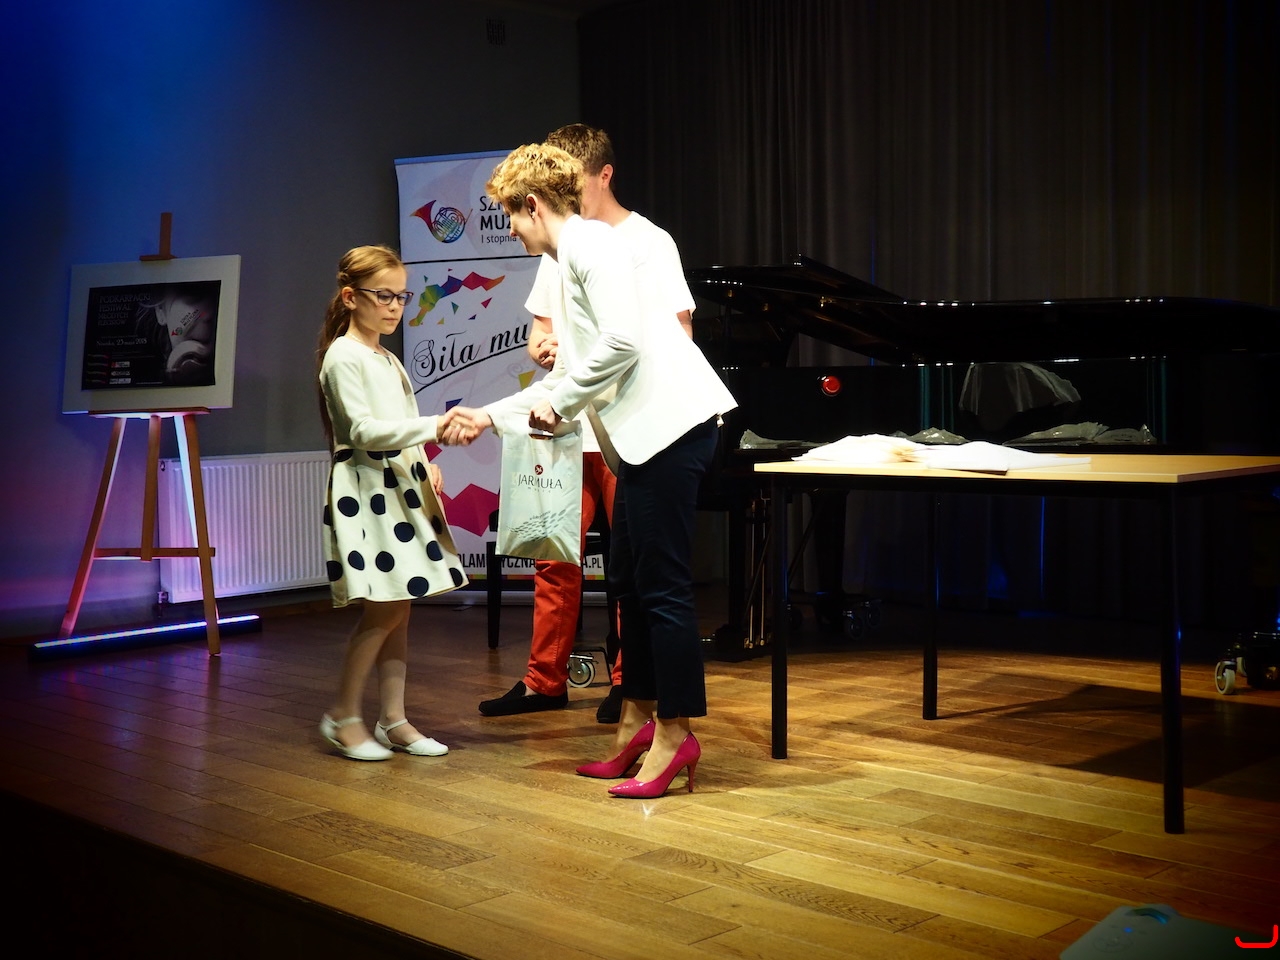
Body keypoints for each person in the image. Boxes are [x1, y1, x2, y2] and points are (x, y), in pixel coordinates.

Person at [447, 144, 736, 798]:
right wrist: (488, 416)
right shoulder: (571, 254)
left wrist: (559, 404)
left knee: (662, 590)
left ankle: (676, 733)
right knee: (629, 585)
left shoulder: (591, 246)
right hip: (640, 443)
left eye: (510, 216)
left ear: (532, 205)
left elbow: (623, 345)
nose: (510, 230)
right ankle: (636, 722)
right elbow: (574, 372)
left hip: (670, 432)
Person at [478, 123, 696, 724]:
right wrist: (550, 360)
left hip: (630, 424)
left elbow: (660, 337)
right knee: (559, 553)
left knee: (638, 572)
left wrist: (578, 377)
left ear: (601, 175)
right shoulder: (561, 245)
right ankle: (549, 681)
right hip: (578, 423)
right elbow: (547, 335)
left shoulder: (638, 242)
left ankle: (634, 691)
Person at [315, 245, 471, 761]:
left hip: (398, 486)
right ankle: (343, 716)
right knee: (383, 610)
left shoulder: (386, 357)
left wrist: (425, 460)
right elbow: (362, 430)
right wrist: (433, 428)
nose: (395, 306)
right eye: (383, 295)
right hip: (368, 491)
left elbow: (397, 423)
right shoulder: (343, 356)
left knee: (400, 608)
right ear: (350, 297)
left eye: (401, 296)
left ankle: (393, 719)